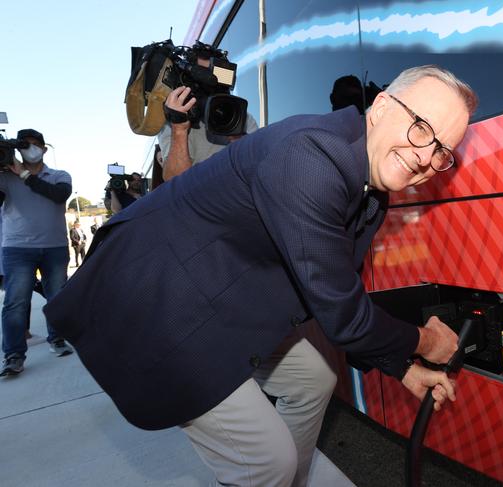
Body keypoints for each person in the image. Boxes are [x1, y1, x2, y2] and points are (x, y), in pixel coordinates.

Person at [44, 65, 477, 486]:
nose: (425, 157)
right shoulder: (312, 157)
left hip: (223, 290)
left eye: (442, 150)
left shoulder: (370, 187)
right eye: (421, 127)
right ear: (381, 107)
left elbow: (336, 296)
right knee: (266, 462)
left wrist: (400, 365)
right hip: (160, 303)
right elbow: (345, 316)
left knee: (315, 380)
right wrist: (425, 342)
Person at [0, 128, 73, 377]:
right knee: (16, 303)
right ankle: (13, 356)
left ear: (44, 148)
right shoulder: (5, 178)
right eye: (25, 145)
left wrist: (22, 174)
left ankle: (57, 339)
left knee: (57, 298)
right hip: (17, 248)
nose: (31, 148)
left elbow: (59, 195)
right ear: (17, 150)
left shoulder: (59, 175)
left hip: (55, 247)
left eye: (35, 144)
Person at [158, 54, 258, 181]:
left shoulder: (241, 115)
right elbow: (174, 181)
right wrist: (179, 129)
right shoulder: (175, 119)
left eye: (217, 78)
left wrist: (235, 132)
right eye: (204, 76)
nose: (212, 84)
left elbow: (257, 165)